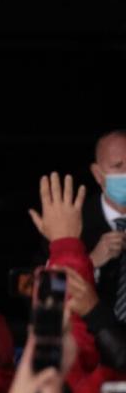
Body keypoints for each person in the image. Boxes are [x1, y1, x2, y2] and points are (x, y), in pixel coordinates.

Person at [83, 129, 126, 321]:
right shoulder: (73, 222)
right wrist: (90, 263)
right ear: (98, 174)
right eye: (118, 166)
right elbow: (41, 289)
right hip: (92, 342)